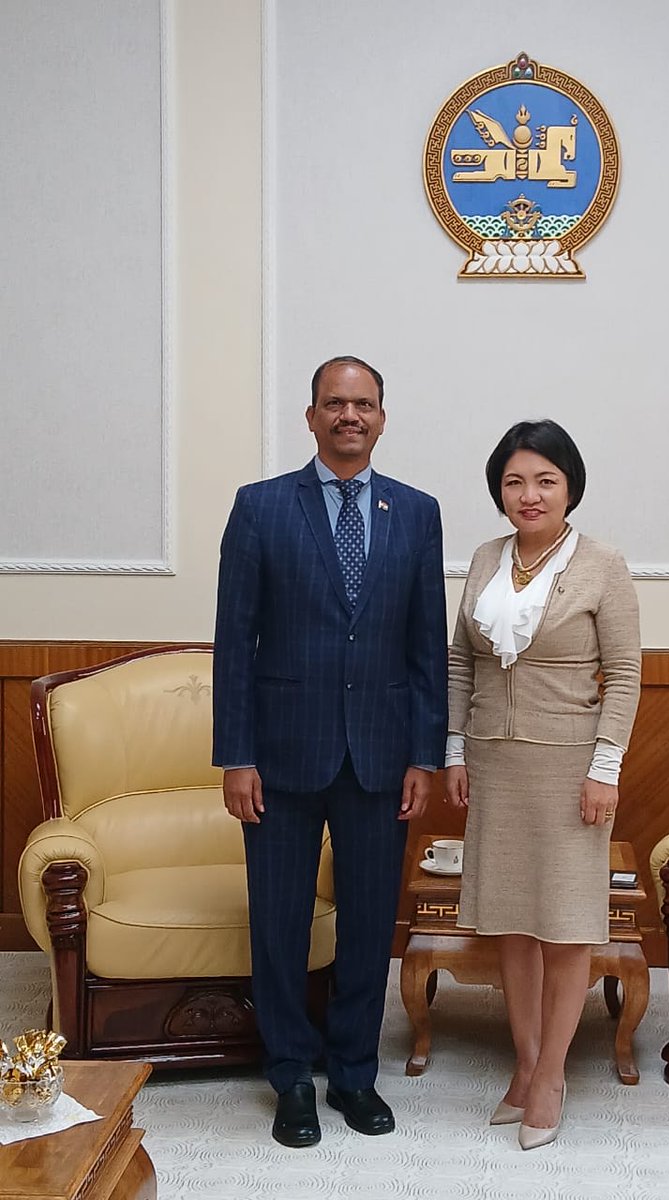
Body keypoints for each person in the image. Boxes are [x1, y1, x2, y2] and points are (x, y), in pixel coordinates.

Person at [213, 355, 448, 1148]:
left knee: (368, 922)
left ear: (383, 418)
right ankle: (290, 1078)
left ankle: (352, 1073)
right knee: (278, 922)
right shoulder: (260, 508)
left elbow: (426, 648)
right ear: (310, 416)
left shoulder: (417, 512)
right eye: (335, 403)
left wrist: (426, 755)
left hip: (382, 756)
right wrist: (234, 756)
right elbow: (235, 641)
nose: (350, 416)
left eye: (365, 404)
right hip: (278, 757)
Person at [444, 419, 641, 1150]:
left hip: (569, 767)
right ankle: (524, 1065)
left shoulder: (602, 564)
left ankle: (553, 1076)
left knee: (564, 925)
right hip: (494, 762)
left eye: (545, 480)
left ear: (570, 488)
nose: (529, 494)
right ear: (500, 490)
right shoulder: (485, 557)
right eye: (515, 481)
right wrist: (456, 752)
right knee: (511, 923)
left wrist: (604, 771)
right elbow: (462, 660)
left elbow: (623, 674)